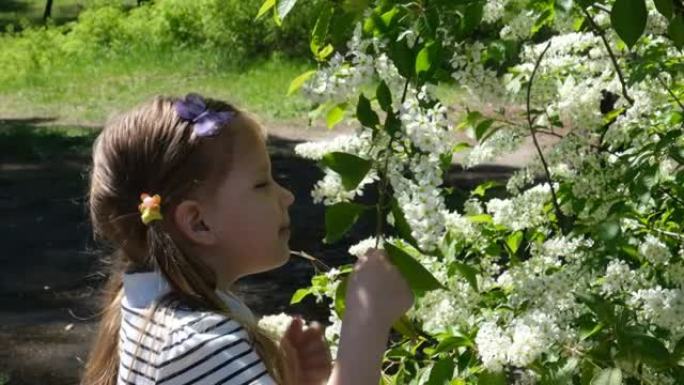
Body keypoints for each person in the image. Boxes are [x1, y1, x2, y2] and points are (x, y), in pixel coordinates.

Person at [81, 93, 414, 385]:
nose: (286, 197)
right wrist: (367, 324)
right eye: (262, 184)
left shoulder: (150, 309)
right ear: (198, 222)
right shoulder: (199, 343)